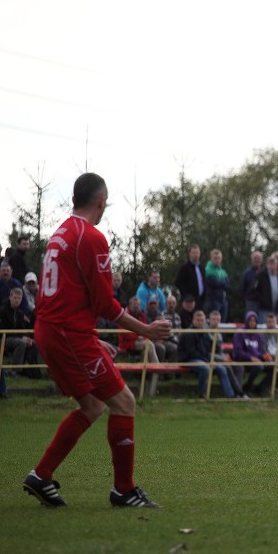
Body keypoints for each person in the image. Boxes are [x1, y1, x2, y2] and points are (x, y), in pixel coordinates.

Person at [23, 172, 171, 509]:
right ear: (101, 202)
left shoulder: (61, 233)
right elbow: (106, 304)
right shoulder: (91, 238)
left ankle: (42, 475)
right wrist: (146, 330)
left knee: (92, 406)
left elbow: (69, 296)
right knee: (124, 402)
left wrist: (89, 336)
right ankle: (124, 490)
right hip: (66, 333)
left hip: (55, 330)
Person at [177, 309, 236, 399]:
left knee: (222, 368)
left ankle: (230, 395)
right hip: (188, 359)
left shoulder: (205, 333)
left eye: (202, 320)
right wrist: (207, 360)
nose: (200, 322)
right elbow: (191, 352)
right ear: (193, 321)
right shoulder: (189, 333)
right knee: (205, 368)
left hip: (202, 358)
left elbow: (208, 349)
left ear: (205, 321)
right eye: (198, 320)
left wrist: (210, 358)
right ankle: (202, 394)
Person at [231, 311, 274, 397]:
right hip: (242, 360)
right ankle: (248, 386)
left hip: (255, 360)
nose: (252, 322)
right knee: (259, 366)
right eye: (250, 320)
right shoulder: (239, 333)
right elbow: (238, 351)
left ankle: (260, 388)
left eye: (254, 320)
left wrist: (264, 357)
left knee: (273, 366)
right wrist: (250, 358)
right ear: (246, 321)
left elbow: (259, 351)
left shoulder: (257, 335)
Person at [118, 296, 165, 364]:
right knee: (149, 345)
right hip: (127, 343)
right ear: (130, 305)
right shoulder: (124, 317)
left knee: (152, 347)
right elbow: (125, 334)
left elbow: (146, 329)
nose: (136, 307)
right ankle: (157, 368)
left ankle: (151, 373)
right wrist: (138, 337)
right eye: (134, 305)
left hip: (141, 341)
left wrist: (143, 337)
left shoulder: (142, 316)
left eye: (138, 305)